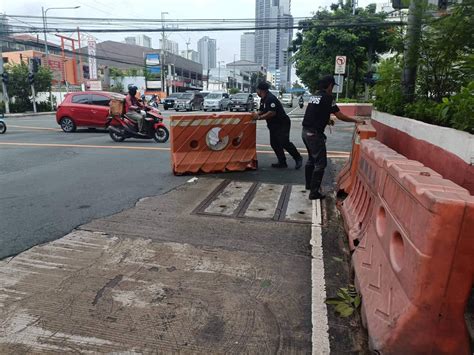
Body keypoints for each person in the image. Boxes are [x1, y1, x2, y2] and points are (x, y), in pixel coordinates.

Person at [302, 75, 364, 200]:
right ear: (330, 85)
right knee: (320, 164)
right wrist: (355, 120)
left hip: (305, 132)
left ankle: (309, 185)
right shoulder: (328, 98)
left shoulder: (314, 96)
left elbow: (315, 112)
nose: (332, 89)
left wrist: (326, 120)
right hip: (314, 135)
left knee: (311, 160)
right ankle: (314, 193)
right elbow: (340, 115)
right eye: (332, 86)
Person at [254, 81, 303, 169]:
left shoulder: (270, 98)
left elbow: (271, 113)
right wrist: (254, 115)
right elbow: (261, 111)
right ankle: (282, 162)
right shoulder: (263, 99)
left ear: (261, 90)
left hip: (282, 123)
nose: (257, 92)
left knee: (284, 142)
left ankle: (298, 158)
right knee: (274, 143)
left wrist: (258, 118)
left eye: (257, 90)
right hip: (273, 125)